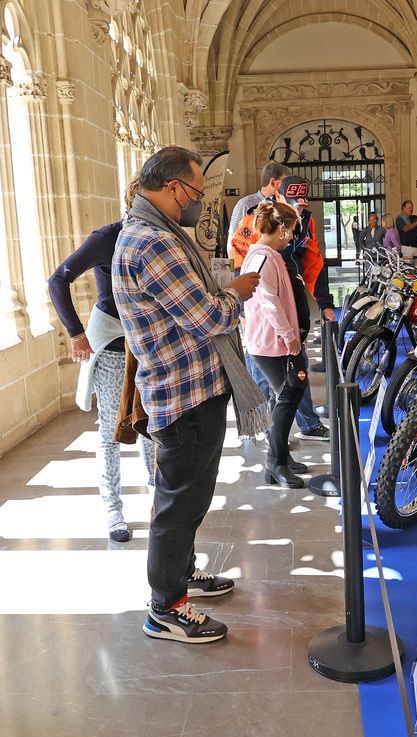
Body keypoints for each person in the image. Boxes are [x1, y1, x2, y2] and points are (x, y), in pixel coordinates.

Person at [113, 146, 270, 644]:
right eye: (197, 193)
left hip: (194, 387)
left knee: (193, 497)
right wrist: (238, 294)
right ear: (175, 187)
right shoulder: (152, 242)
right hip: (182, 395)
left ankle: (182, 576)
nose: (198, 202)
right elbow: (206, 317)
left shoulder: (155, 233)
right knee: (177, 504)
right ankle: (165, 607)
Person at [49, 187, 156, 543]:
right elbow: (58, 279)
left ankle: (159, 497)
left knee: (152, 423)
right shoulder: (107, 237)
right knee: (112, 427)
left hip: (148, 341)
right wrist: (75, 332)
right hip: (111, 341)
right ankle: (113, 508)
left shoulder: (158, 237)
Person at [229, 168, 331, 441]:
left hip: (289, 297)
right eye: (293, 207)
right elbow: (238, 253)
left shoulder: (306, 220)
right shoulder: (254, 215)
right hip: (259, 303)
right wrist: (244, 300)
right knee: (264, 373)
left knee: (295, 369)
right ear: (279, 195)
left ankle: (305, 424)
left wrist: (325, 302)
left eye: (301, 207)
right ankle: (265, 426)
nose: (297, 216)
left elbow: (314, 260)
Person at [241, 202, 310, 488]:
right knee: (288, 394)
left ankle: (280, 456)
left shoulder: (267, 254)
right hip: (271, 341)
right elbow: (267, 300)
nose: (293, 236)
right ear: (282, 229)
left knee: (288, 393)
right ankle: (276, 462)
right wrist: (288, 334)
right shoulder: (264, 257)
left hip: (273, 340)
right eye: (292, 230)